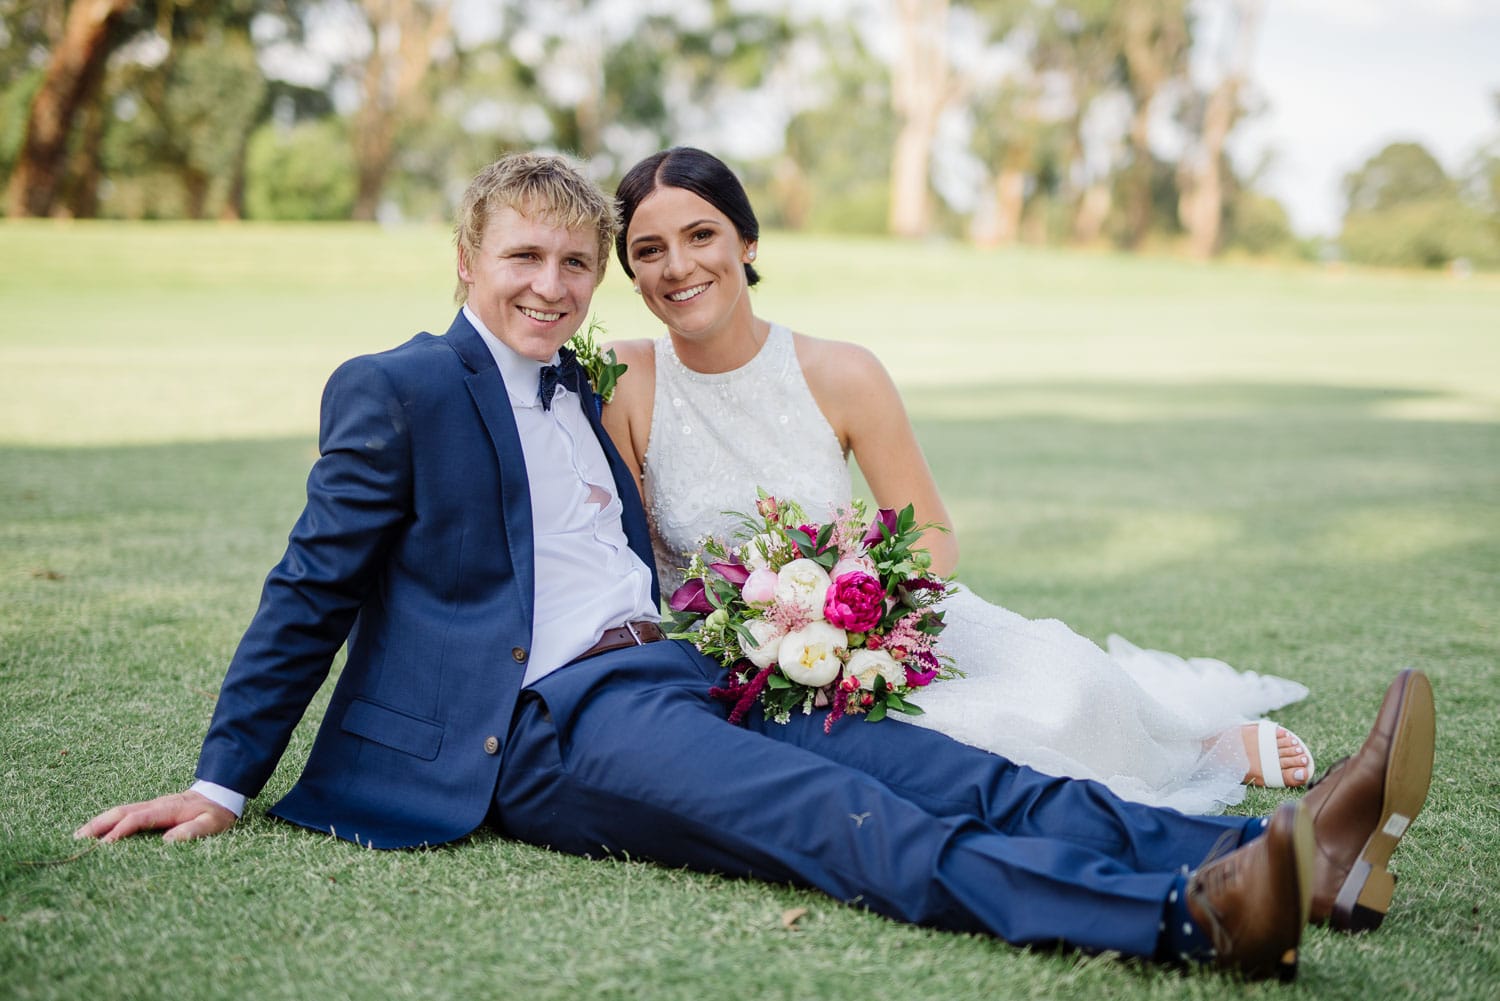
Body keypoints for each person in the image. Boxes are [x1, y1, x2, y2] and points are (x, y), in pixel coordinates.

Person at [75, 152, 1434, 981]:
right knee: (839, 820)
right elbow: (310, 585)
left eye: (573, 263)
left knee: (961, 772)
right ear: (466, 261)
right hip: (542, 728)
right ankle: (1193, 918)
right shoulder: (397, 388)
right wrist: (219, 777)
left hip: (682, 666)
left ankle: (1294, 853)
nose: (551, 285)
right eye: (523, 261)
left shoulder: (588, 387)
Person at [603, 146, 1312, 814]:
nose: (677, 265)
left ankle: (1192, 741)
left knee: (1068, 683)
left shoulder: (842, 372)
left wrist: (855, 629)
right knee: (953, 743)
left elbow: (933, 538)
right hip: (735, 665)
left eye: (701, 235)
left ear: (747, 242)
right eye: (648, 250)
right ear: (631, 274)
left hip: (875, 629)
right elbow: (627, 568)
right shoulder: (627, 381)